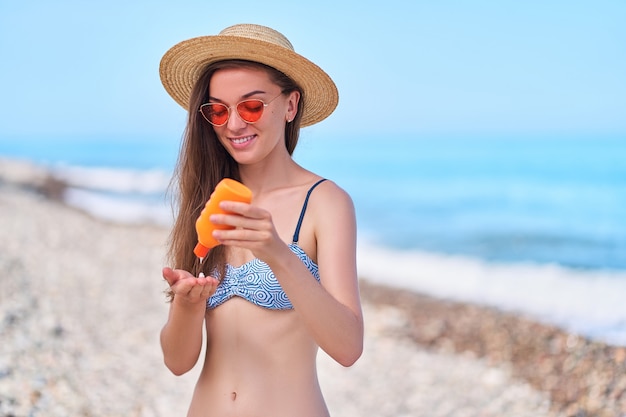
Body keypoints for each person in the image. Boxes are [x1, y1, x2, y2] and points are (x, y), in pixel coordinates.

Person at [158, 23, 363, 417]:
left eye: (252, 106)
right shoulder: (208, 199)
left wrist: (279, 255)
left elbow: (349, 347)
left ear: (290, 105)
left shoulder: (325, 203)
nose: (234, 124)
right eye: (218, 110)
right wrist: (187, 305)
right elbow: (178, 362)